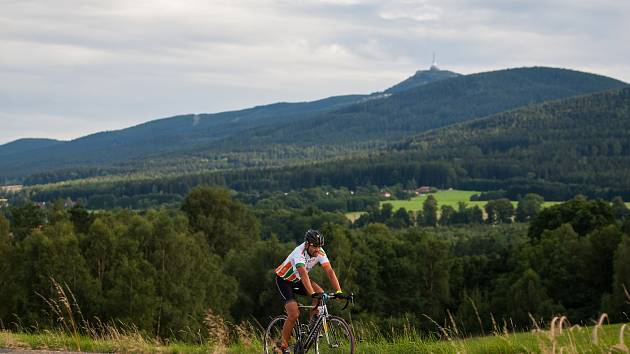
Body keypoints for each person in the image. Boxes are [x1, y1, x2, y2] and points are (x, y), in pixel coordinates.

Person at [273, 229, 343, 354]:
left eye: (319, 246)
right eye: (315, 246)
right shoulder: (298, 253)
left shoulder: (320, 252)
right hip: (285, 280)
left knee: (321, 294)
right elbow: (304, 274)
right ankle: (282, 345)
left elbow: (330, 271)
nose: (318, 249)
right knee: (294, 313)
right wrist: (311, 293)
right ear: (307, 244)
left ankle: (312, 329)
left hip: (298, 280)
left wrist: (338, 291)